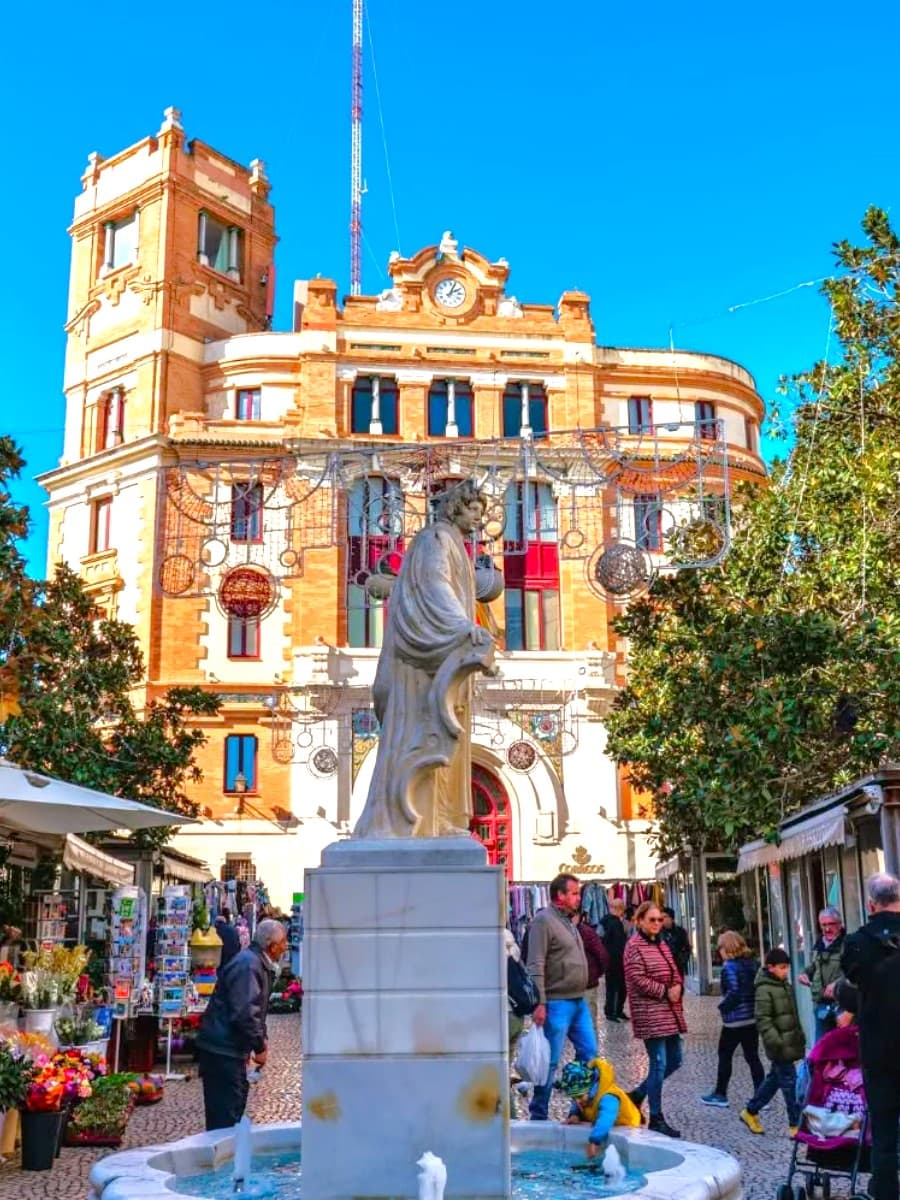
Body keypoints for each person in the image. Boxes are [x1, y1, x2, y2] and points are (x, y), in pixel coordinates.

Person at [353, 480, 495, 839]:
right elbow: (434, 587)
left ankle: (441, 822)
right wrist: (463, 628)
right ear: (455, 509)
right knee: (427, 736)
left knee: (446, 741)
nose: (479, 520)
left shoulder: (454, 546)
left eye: (481, 513)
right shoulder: (436, 540)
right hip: (420, 669)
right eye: (474, 511)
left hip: (438, 662)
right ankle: (416, 824)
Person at [839, 872, 900, 1200]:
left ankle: (885, 1191)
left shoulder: (858, 943)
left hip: (879, 1047)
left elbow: (851, 988)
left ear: (870, 904)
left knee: (885, 1125)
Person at [196, 917, 288, 1130]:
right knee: (225, 1119)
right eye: (283, 942)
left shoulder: (253, 962)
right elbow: (245, 1013)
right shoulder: (249, 965)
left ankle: (225, 1159)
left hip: (226, 1049)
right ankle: (220, 1161)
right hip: (223, 1051)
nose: (285, 947)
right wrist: (259, 1046)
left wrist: (260, 1037)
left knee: (230, 1113)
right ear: (271, 945)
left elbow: (255, 1008)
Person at [525, 873, 598, 1121]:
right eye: (574, 893)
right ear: (560, 896)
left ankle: (578, 1109)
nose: (578, 898)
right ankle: (539, 1113)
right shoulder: (543, 921)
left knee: (589, 1054)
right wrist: (540, 1002)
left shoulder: (568, 921)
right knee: (551, 1061)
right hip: (556, 1002)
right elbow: (535, 963)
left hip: (578, 1000)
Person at [623, 901, 686, 1138]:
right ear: (639, 921)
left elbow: (674, 969)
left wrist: (678, 985)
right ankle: (656, 1117)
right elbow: (636, 977)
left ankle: (639, 1093)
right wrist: (663, 990)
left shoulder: (662, 943)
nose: (657, 924)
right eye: (652, 920)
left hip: (668, 1011)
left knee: (676, 1059)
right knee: (658, 1063)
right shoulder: (634, 946)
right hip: (650, 1012)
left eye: (659, 920)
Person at [739, 947, 805, 1136]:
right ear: (770, 967)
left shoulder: (784, 985)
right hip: (779, 1045)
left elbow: (792, 1014)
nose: (785, 971)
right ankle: (795, 1124)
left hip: (787, 1042)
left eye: (787, 968)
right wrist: (777, 1041)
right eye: (782, 967)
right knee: (789, 1084)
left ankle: (750, 1111)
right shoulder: (764, 989)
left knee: (775, 1080)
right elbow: (763, 1019)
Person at [701, 931, 764, 1107]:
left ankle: (720, 1094)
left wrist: (723, 1007)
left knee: (725, 1055)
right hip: (751, 1019)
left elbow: (734, 992)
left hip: (734, 1020)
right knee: (753, 1057)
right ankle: (761, 1095)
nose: (718, 951)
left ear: (727, 948)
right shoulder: (753, 964)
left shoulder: (729, 967)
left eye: (720, 947)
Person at [558, 1058, 642, 1159]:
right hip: (609, 1124)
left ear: (589, 1089)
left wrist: (594, 1141)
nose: (577, 1101)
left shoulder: (608, 1097)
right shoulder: (586, 1093)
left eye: (579, 1097)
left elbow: (606, 1119)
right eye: (573, 1098)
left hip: (628, 1125)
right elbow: (578, 1102)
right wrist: (575, 1114)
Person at [797, 906, 845, 1042]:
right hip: (821, 1005)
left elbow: (856, 973)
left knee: (844, 1050)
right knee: (821, 1050)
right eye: (823, 925)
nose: (827, 929)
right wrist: (805, 973)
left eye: (831, 924)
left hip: (841, 1005)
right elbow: (814, 966)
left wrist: (837, 984)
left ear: (840, 924)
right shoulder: (820, 944)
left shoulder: (849, 944)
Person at [573, 910, 610, 1034]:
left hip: (586, 985)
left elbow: (602, 955)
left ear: (579, 916)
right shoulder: (560, 932)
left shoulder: (586, 932)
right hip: (566, 987)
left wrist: (594, 974)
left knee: (588, 1023)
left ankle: (590, 1052)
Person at [598, 898, 628, 1021]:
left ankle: (613, 1011)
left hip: (608, 959)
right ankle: (613, 1012)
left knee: (613, 987)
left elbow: (600, 938)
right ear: (619, 909)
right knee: (618, 987)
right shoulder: (616, 923)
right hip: (617, 960)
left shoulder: (603, 921)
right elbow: (620, 944)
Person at [660, 907, 692, 978]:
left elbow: (687, 948)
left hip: (678, 968)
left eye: (665, 917)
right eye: (661, 917)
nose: (662, 919)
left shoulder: (681, 932)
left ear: (671, 918)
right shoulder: (658, 933)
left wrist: (682, 961)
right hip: (663, 969)